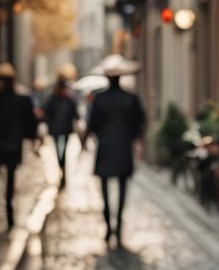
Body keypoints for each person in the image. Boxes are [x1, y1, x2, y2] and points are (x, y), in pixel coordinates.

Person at [83, 54, 146, 246]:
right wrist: (135, 138)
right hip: (123, 148)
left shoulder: (99, 99)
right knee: (122, 188)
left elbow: (92, 123)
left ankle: (108, 224)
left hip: (105, 147)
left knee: (104, 188)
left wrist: (89, 138)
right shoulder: (131, 98)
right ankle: (117, 226)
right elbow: (139, 122)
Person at [0, 62, 43, 230]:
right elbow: (30, 123)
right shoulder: (22, 99)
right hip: (13, 145)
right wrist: (33, 140)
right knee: (10, 179)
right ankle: (9, 214)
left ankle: (8, 213)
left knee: (10, 179)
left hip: (8, 144)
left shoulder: (21, 99)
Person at [43, 75, 78, 189]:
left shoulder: (68, 100)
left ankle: (62, 168)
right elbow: (46, 113)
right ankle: (62, 168)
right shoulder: (54, 99)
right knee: (59, 152)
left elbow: (75, 114)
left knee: (62, 152)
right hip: (57, 130)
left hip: (64, 130)